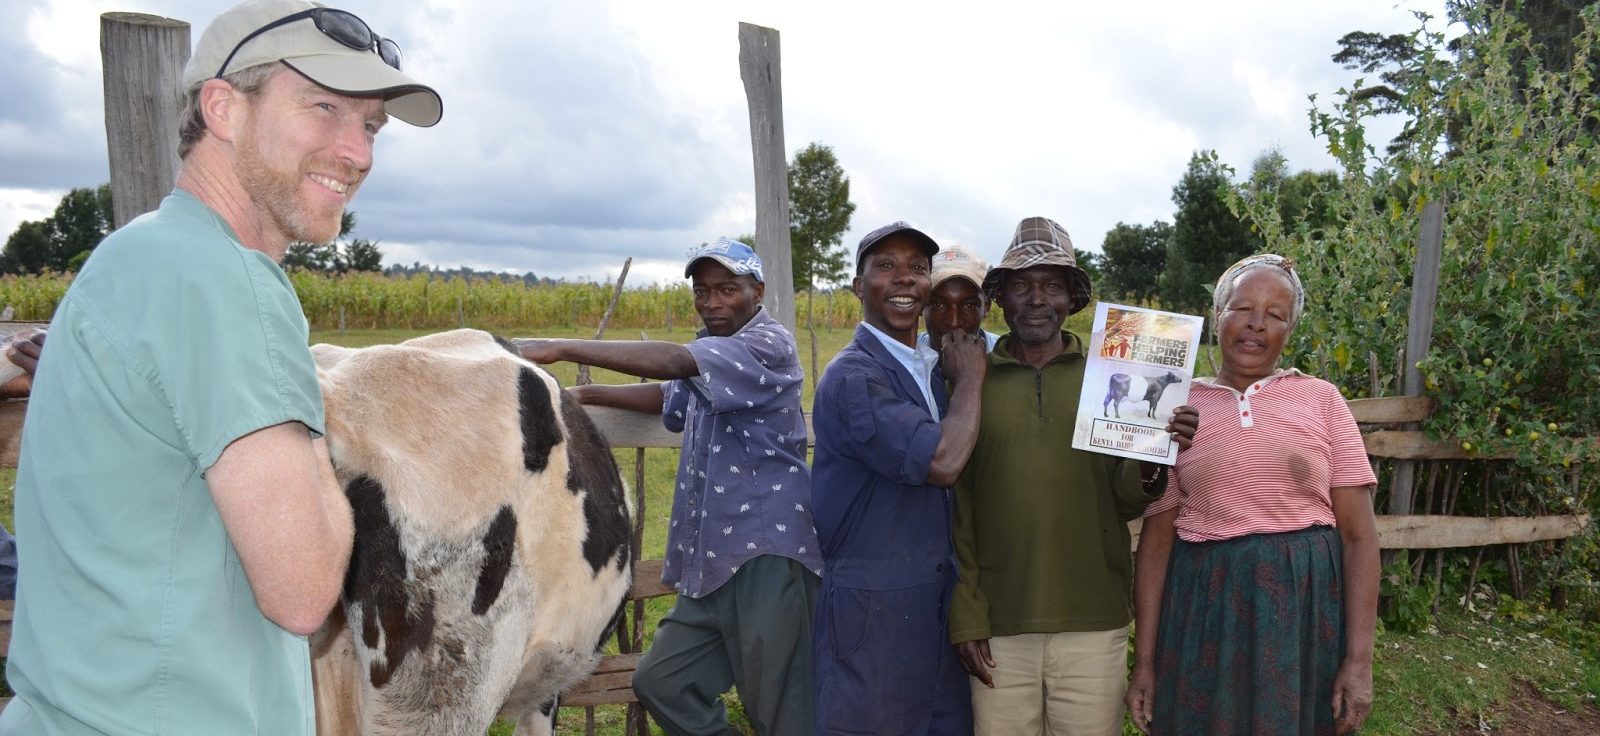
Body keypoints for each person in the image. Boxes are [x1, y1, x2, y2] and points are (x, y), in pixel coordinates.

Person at [0, 1, 441, 733]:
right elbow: (303, 590)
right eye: (322, 107)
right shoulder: (223, 281)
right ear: (223, 108)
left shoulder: (134, 256)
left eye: (368, 125)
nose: (358, 153)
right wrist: (319, 426)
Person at [518, 237, 823, 736]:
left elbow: (676, 364)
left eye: (728, 289)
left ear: (758, 290)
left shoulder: (767, 344)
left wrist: (563, 347)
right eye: (703, 292)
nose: (713, 302)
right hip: (713, 560)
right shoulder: (712, 356)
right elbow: (670, 395)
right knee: (662, 681)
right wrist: (586, 393)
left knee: (783, 711)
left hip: (768, 555)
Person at [948, 217, 1198, 736]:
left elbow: (1126, 500)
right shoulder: (972, 380)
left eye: (1052, 286)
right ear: (1001, 298)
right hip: (999, 623)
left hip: (1093, 618)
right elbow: (959, 506)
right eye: (1021, 285)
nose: (1036, 299)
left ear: (1072, 299)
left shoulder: (1110, 375)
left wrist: (1158, 448)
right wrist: (968, 613)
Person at [1124, 255, 1379, 736]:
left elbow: (1359, 539)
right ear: (1217, 314)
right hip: (1202, 607)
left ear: (1290, 328)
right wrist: (1145, 663)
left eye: (1276, 314)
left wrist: (1358, 661)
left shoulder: (1322, 400)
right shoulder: (1178, 407)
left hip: (1301, 611)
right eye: (1242, 308)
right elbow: (1157, 540)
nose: (1256, 325)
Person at [810, 221, 987, 736]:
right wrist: (974, 379)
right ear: (858, 287)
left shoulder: (927, 367)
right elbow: (943, 463)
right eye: (885, 267)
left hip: (932, 603)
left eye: (917, 268)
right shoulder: (855, 378)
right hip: (874, 610)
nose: (905, 279)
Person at [917, 243, 1000, 353]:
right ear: (921, 306)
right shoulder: (902, 357)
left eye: (969, 305)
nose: (954, 322)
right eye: (938, 305)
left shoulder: (1009, 359)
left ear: (986, 307)